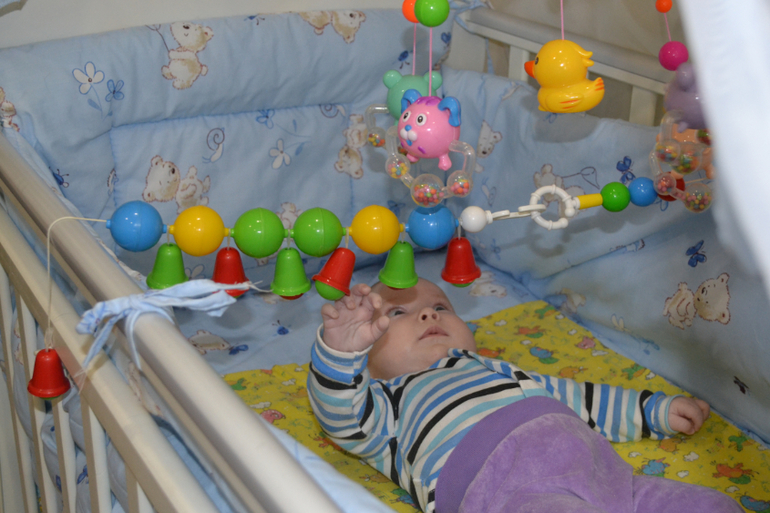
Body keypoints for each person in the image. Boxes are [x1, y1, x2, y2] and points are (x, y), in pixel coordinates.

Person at [307, 279, 742, 513]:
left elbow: (585, 402)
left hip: (610, 480)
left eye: (440, 307)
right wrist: (340, 353)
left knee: (712, 505)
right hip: (509, 496)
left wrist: (657, 411)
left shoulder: (501, 371)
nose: (427, 314)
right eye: (398, 313)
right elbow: (340, 414)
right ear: (367, 359)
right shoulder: (386, 400)